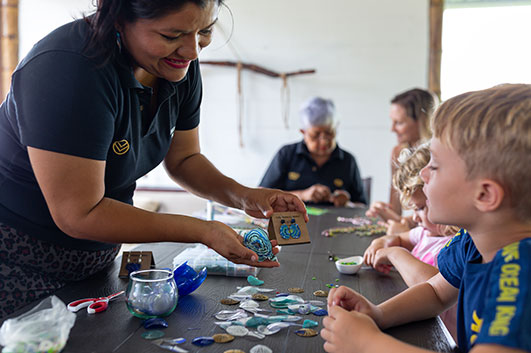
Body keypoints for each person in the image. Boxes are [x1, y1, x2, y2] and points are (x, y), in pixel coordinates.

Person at [0, 0, 307, 318]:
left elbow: (185, 158)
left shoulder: (176, 65)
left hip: (94, 265)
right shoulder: (67, 68)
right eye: (172, 35)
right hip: (16, 263)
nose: (192, 51)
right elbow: (79, 213)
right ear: (118, 19)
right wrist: (204, 231)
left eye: (204, 31)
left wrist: (244, 195)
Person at [321, 84, 530, 353]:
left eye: (435, 165)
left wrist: (368, 343)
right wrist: (377, 314)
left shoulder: (521, 271)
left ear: (485, 194)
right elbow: (435, 293)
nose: (423, 175)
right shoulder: (471, 242)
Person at [363, 143, 457, 339]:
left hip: (439, 335)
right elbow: (397, 237)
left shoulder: (455, 244)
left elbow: (433, 284)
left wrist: (395, 254)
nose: (414, 218)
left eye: (421, 208)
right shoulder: (426, 233)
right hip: (416, 320)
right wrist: (381, 243)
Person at [259, 97, 366, 207]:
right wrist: (302, 195)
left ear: (336, 128)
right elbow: (262, 196)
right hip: (291, 222)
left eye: (329, 133)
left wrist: (347, 203)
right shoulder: (286, 154)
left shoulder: (348, 160)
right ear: (303, 132)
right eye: (315, 135)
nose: (324, 141)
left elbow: (362, 206)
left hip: (337, 222)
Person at [366, 88, 437, 229]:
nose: (392, 129)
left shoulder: (438, 157)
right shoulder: (398, 153)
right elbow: (395, 208)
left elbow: (438, 225)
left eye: (399, 122)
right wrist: (384, 212)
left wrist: (403, 224)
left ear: (422, 121)